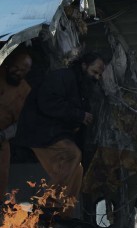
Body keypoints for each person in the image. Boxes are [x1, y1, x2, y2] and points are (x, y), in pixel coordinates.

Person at [15, 52, 106, 212]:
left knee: (77, 169)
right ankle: (47, 203)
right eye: (94, 72)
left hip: (56, 133)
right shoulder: (63, 77)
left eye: (99, 75)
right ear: (84, 66)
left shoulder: (82, 88)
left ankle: (63, 211)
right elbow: (48, 102)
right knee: (72, 154)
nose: (97, 77)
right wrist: (79, 115)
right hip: (39, 130)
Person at [0, 49, 33, 196]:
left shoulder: (25, 91)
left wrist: (3, 135)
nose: (18, 72)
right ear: (9, 63)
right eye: (16, 68)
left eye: (22, 71)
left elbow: (22, 123)